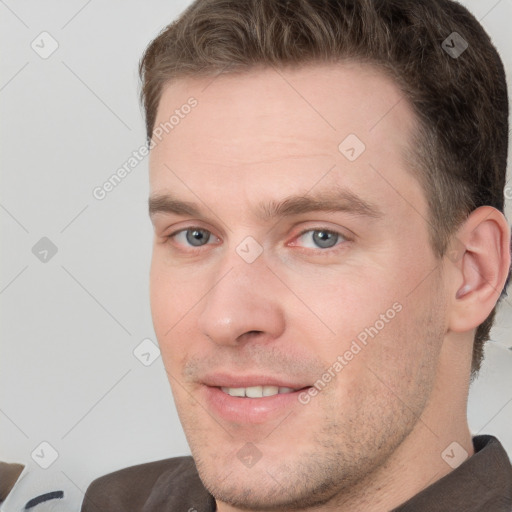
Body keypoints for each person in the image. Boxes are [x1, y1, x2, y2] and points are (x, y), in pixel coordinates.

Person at [80, 0, 512, 510]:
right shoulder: (116, 501)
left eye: (320, 237)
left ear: (471, 272)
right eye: (194, 235)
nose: (226, 317)